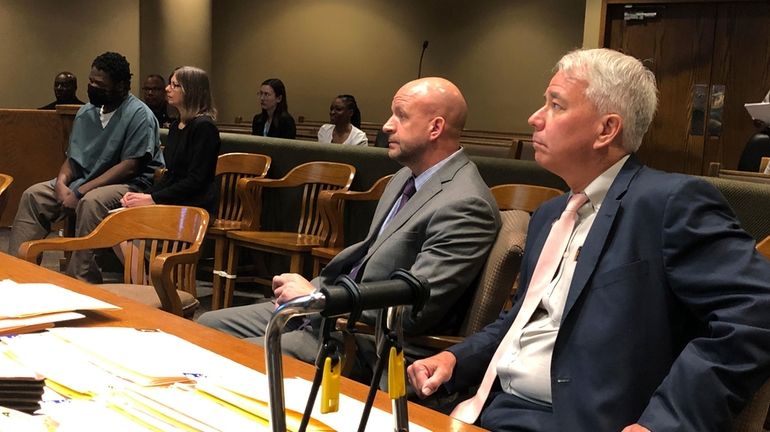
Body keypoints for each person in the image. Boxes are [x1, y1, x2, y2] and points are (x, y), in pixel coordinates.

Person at [407, 48, 770, 432]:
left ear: (606, 129)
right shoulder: (551, 214)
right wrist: (456, 360)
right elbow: (525, 318)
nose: (535, 117)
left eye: (556, 105)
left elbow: (756, 313)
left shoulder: (669, 204)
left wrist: (666, 422)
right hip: (484, 408)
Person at [199, 77, 500, 381]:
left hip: (364, 343)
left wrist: (318, 298)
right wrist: (316, 292)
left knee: (224, 360)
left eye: (401, 115)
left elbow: (412, 311)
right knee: (206, 326)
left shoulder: (466, 204)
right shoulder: (405, 178)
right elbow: (368, 259)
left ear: (435, 128)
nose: (387, 125)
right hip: (333, 314)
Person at [9, 52, 164, 283]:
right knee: (34, 196)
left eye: (99, 84)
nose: (92, 87)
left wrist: (80, 192)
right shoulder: (86, 113)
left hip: (127, 185)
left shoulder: (139, 114)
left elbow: (130, 166)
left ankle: (81, 279)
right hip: (82, 180)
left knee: (91, 202)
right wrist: (61, 184)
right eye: (91, 81)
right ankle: (19, 274)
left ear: (121, 86)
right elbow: (73, 158)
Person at [121, 66, 220, 214]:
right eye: (169, 83)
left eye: (175, 85)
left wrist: (153, 199)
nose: (167, 89)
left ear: (191, 91)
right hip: (176, 199)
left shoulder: (204, 127)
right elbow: (171, 175)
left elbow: (197, 181)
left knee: (137, 218)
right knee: (126, 210)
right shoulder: (176, 126)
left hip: (195, 206)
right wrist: (144, 195)